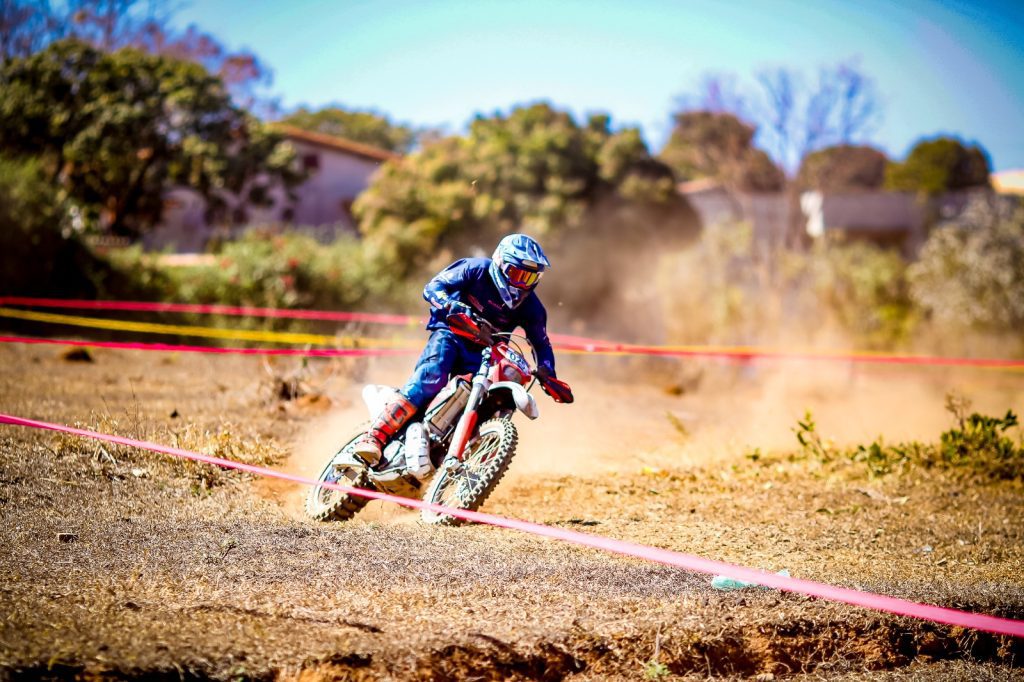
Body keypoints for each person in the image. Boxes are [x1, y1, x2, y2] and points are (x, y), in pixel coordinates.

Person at [352, 233, 562, 465]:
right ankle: (374, 437)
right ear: (501, 262)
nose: (522, 283)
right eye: (517, 274)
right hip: (451, 334)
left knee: (487, 400)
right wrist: (450, 304)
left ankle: (448, 457)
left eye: (530, 277)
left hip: (484, 354)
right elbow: (433, 287)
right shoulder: (476, 269)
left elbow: (541, 343)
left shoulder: (532, 306)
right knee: (431, 378)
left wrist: (547, 371)